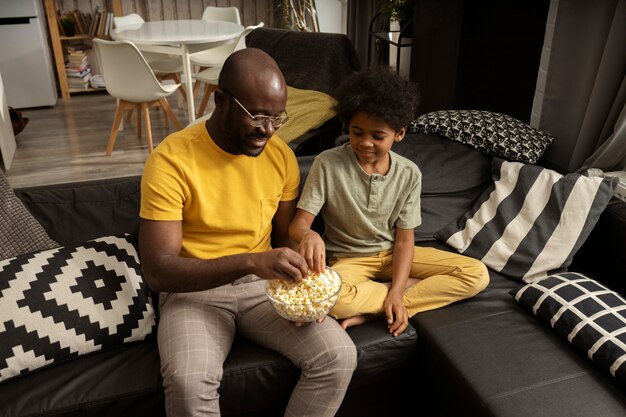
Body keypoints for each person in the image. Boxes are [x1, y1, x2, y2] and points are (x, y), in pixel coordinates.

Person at [139, 48, 357, 417]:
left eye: (277, 118)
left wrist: (306, 249)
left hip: (264, 288)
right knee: (189, 384)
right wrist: (253, 261)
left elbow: (286, 235)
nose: (268, 131)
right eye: (257, 116)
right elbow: (159, 271)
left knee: (338, 356)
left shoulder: (280, 156)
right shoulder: (171, 160)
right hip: (193, 292)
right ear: (220, 101)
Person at [289, 66, 489, 337]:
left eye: (378, 136)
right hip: (349, 260)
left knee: (477, 274)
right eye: (357, 132)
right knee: (331, 299)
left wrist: (397, 290)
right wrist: (308, 235)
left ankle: (385, 305)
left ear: (399, 133)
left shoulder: (409, 173)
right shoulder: (327, 163)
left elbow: (405, 240)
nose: (365, 143)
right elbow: (299, 224)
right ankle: (400, 294)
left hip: (394, 254)